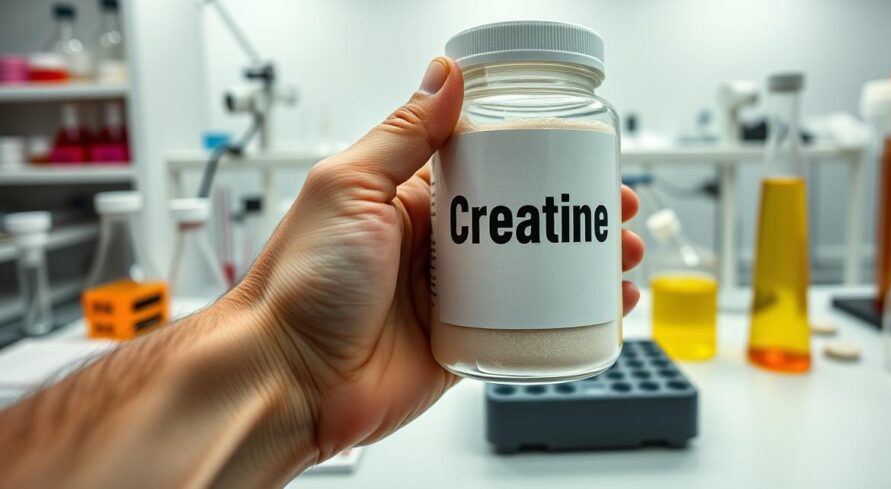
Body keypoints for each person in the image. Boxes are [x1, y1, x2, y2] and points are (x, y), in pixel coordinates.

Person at [0, 57, 645, 488]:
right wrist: (289, 354)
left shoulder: (596, 118)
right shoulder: (459, 131)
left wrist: (292, 365)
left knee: (584, 221)